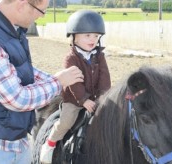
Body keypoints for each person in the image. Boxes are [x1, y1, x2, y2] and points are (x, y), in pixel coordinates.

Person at [0, 0, 84, 163]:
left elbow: (22, 71)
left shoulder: (10, 29)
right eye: (41, 11)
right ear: (21, 5)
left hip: (16, 140)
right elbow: (16, 98)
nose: (41, 16)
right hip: (0, 148)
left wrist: (61, 80)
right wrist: (58, 82)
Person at [40, 10, 111, 163]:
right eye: (87, 35)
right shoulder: (71, 58)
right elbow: (74, 83)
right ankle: (51, 143)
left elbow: (105, 78)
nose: (93, 39)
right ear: (74, 36)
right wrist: (84, 100)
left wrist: (103, 97)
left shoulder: (99, 56)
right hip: (74, 100)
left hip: (95, 99)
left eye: (96, 36)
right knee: (67, 120)